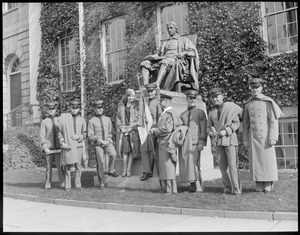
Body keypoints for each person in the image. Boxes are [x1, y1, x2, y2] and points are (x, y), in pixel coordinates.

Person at [243, 78, 283, 193]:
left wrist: (273, 137)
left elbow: (273, 121)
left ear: (261, 88)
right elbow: (245, 124)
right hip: (253, 137)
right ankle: (259, 182)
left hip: (266, 137)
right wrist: (245, 138)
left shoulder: (268, 102)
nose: (254, 90)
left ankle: (269, 183)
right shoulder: (248, 103)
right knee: (256, 161)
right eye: (252, 88)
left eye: (257, 87)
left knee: (267, 161)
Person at [140, 21, 199, 91]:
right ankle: (146, 86)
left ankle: (157, 84)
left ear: (176, 29)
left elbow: (192, 52)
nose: (169, 30)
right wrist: (151, 56)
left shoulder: (183, 40)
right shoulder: (165, 42)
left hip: (175, 59)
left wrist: (183, 53)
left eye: (171, 28)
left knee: (165, 61)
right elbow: (159, 54)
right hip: (163, 58)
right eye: (168, 28)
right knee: (144, 63)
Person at [207, 88, 243, 195]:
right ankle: (227, 188)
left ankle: (236, 189)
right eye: (213, 97)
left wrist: (226, 131)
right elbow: (208, 127)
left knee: (232, 166)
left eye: (217, 96)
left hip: (230, 140)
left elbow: (236, 123)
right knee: (222, 167)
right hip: (218, 141)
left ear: (222, 96)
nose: (215, 99)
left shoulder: (231, 108)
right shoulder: (211, 113)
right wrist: (211, 133)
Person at [150, 93, 182, 195]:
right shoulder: (165, 113)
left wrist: (155, 130)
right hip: (164, 142)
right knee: (165, 166)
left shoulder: (170, 113)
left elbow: (167, 128)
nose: (159, 103)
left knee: (168, 166)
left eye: (161, 101)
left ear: (167, 101)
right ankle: (168, 188)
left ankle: (170, 189)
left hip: (167, 142)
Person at [180, 89, 207, 192]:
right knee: (188, 165)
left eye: (194, 98)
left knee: (195, 165)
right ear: (186, 99)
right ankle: (192, 186)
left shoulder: (200, 112)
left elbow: (203, 128)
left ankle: (199, 187)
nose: (192, 100)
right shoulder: (183, 114)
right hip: (185, 144)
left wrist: (202, 142)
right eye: (190, 98)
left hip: (196, 142)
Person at [88, 100, 118, 188]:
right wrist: (100, 141)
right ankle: (102, 181)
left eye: (101, 108)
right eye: (98, 108)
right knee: (100, 162)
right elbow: (90, 136)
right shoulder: (91, 121)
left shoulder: (107, 119)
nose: (100, 109)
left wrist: (108, 140)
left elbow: (111, 132)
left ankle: (111, 170)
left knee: (113, 154)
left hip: (107, 141)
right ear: (94, 109)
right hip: (98, 143)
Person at [57, 99, 87, 191]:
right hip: (68, 145)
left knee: (78, 166)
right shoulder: (65, 118)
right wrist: (62, 142)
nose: (74, 110)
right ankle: (68, 185)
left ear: (79, 109)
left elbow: (85, 133)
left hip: (78, 146)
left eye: (76, 108)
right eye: (72, 108)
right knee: (67, 166)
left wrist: (79, 136)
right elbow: (60, 132)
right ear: (70, 108)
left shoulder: (82, 120)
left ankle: (78, 185)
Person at [116, 89, 141, 177]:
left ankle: (129, 170)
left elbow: (139, 119)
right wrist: (121, 128)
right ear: (126, 96)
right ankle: (124, 170)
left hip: (132, 131)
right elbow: (118, 118)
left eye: (133, 96)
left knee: (131, 150)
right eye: (129, 96)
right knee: (124, 151)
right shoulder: (121, 104)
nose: (131, 98)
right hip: (124, 130)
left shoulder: (137, 105)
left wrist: (132, 128)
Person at [140, 83, 162, 181]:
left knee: (151, 151)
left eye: (151, 91)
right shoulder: (145, 102)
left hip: (153, 130)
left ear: (155, 91)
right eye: (148, 92)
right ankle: (146, 171)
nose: (150, 93)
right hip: (145, 130)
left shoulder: (157, 103)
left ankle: (150, 171)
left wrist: (156, 129)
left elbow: (160, 117)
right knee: (144, 149)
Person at [40, 101, 64, 189]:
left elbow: (62, 132)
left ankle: (62, 183)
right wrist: (45, 147)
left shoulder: (59, 120)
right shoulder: (44, 122)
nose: (51, 111)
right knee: (48, 168)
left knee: (60, 167)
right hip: (48, 148)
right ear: (47, 110)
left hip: (58, 147)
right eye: (49, 109)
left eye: (53, 109)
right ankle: (48, 184)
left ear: (55, 110)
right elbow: (42, 135)